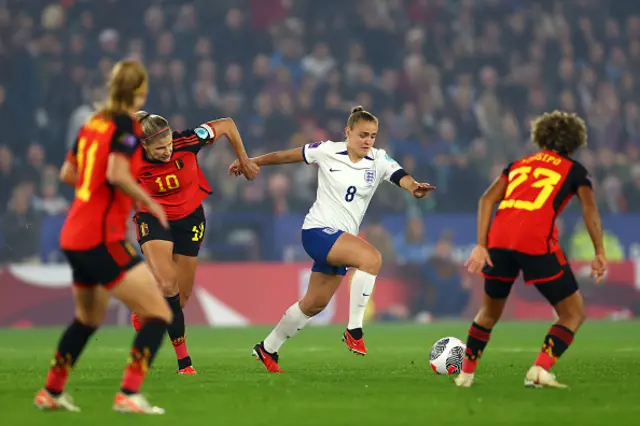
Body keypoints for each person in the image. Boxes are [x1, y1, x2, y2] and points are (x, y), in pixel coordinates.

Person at [229, 106, 435, 372]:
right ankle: (354, 330)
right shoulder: (328, 150)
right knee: (372, 258)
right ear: (348, 132)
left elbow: (401, 176)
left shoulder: (379, 160)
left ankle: (267, 349)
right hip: (317, 231)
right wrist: (253, 160)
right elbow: (288, 156)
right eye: (362, 134)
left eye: (372, 136)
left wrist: (414, 187)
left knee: (314, 304)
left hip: (340, 240)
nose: (367, 141)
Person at [34, 60, 172, 414]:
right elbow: (116, 172)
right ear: (140, 90)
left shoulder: (93, 123)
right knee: (158, 312)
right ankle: (129, 392)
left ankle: (51, 390)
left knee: (88, 319)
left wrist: (95, 190)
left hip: (74, 234)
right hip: (102, 236)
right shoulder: (124, 126)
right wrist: (148, 201)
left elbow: (68, 172)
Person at [459, 111, 607, 389]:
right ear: (575, 141)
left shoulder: (518, 165)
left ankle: (465, 376)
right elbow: (590, 209)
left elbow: (487, 199)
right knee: (573, 313)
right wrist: (599, 250)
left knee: (488, 313)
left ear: (540, 137)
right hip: (535, 242)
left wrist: (481, 245)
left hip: (499, 240)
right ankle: (540, 368)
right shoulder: (575, 171)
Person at [131, 111, 259, 374]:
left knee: (181, 296)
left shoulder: (188, 140)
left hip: (189, 219)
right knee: (167, 283)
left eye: (168, 145)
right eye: (159, 149)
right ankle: (185, 363)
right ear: (144, 145)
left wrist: (243, 159)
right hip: (153, 218)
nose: (167, 152)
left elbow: (227, 124)